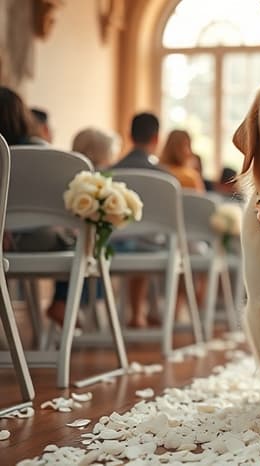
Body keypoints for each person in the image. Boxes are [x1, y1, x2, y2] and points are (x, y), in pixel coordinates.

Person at [44, 127, 122, 325]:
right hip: (75, 242)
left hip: (52, 236)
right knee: (89, 250)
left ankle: (67, 304)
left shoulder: (59, 174)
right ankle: (66, 304)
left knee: (83, 247)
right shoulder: (100, 180)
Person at [110, 112, 166, 328]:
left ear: (129, 135)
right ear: (156, 138)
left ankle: (137, 313)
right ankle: (142, 313)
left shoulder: (111, 172)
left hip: (115, 245)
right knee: (149, 239)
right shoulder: (164, 177)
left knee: (137, 238)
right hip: (151, 246)